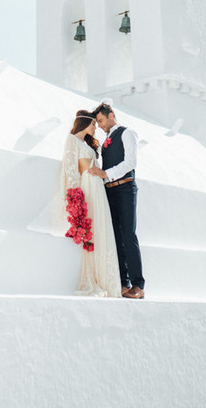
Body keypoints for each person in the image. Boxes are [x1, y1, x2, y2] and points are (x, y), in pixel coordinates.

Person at [88, 101, 145, 299]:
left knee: (129, 235)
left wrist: (105, 173)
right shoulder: (105, 142)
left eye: (102, 120)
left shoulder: (127, 133)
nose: (100, 125)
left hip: (126, 189)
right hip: (110, 191)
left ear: (111, 116)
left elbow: (131, 162)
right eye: (98, 122)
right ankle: (124, 283)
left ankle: (138, 285)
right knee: (116, 238)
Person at [61, 111, 121, 297]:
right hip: (87, 185)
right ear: (85, 123)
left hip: (97, 186)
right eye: (94, 124)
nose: (96, 128)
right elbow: (70, 168)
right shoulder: (72, 140)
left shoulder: (87, 144)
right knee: (93, 227)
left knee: (101, 226)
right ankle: (94, 276)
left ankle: (106, 277)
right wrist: (75, 194)